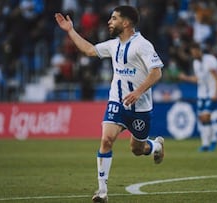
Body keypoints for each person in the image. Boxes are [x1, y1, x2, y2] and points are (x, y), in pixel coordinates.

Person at [55, 5, 165, 203]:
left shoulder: (142, 45)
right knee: (106, 140)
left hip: (140, 107)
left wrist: (138, 92)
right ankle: (102, 191)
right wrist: (71, 30)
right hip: (117, 101)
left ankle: (155, 146)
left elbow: (156, 72)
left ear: (126, 23)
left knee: (137, 149)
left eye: (114, 18)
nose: (109, 22)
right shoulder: (114, 45)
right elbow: (89, 50)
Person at [178, 42, 217, 152]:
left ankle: (206, 144)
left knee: (205, 117)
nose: (194, 55)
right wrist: (185, 78)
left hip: (211, 93)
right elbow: (198, 79)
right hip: (201, 93)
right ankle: (213, 140)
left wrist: (216, 92)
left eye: (195, 52)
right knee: (203, 119)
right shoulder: (196, 63)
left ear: (199, 50)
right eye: (192, 53)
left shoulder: (210, 60)